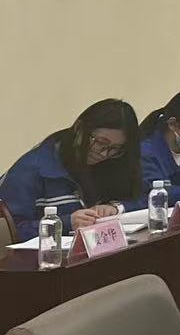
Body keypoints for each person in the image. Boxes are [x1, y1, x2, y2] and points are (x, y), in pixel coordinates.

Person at [1, 99, 142, 238]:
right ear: (79, 128)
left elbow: (147, 198)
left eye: (115, 148)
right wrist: (66, 223)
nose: (104, 153)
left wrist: (116, 208)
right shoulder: (31, 170)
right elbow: (9, 232)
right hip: (47, 251)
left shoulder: (115, 161)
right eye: (100, 142)